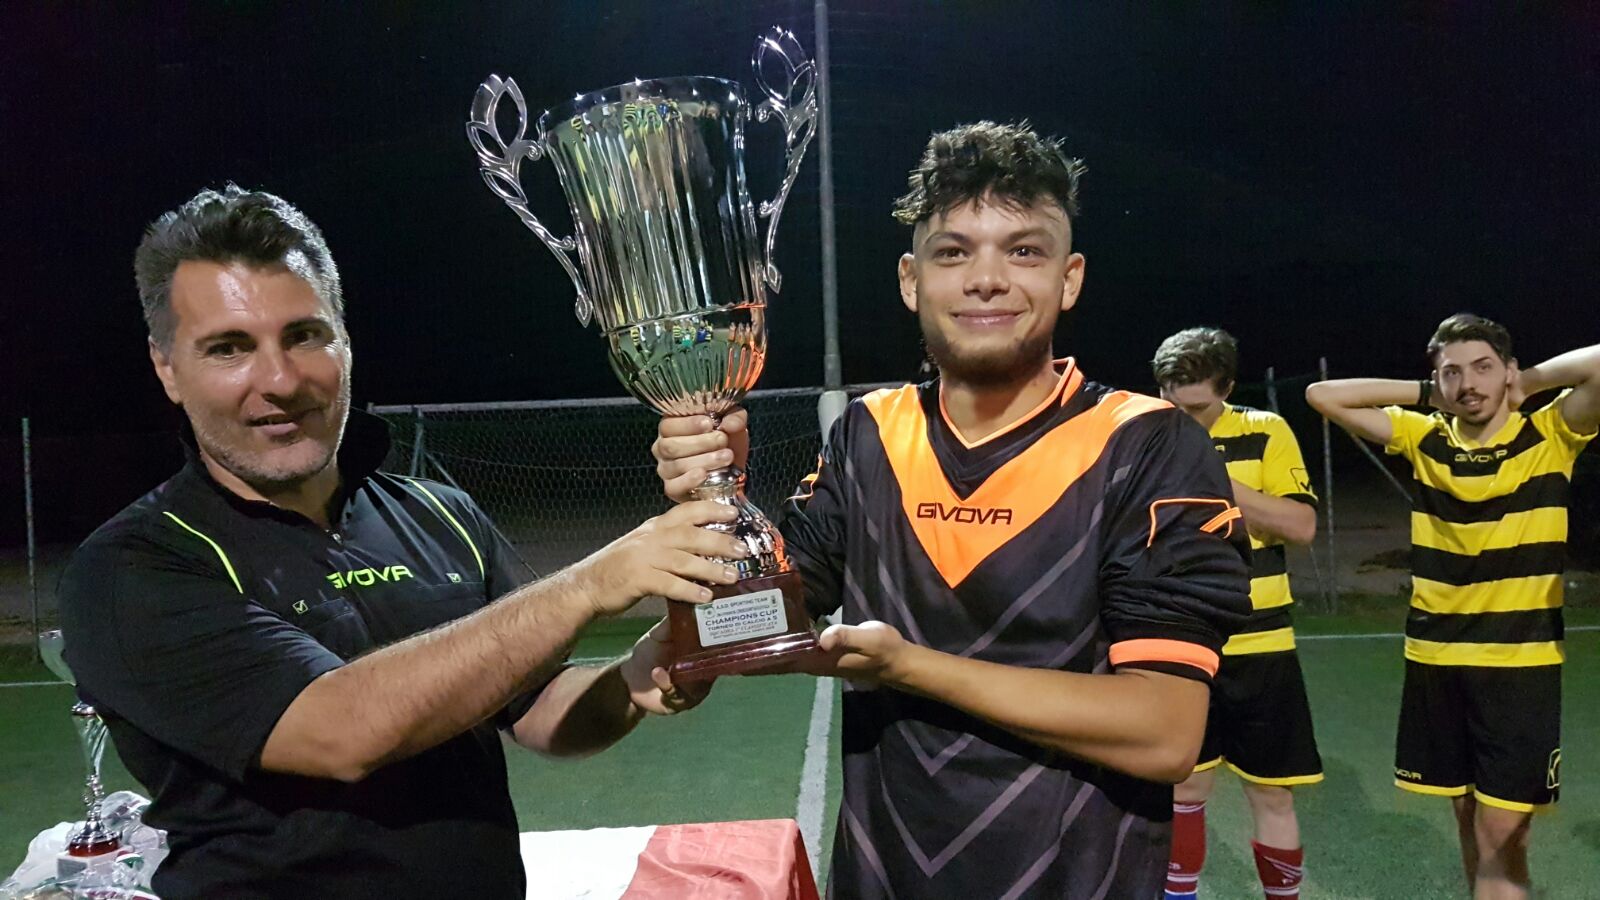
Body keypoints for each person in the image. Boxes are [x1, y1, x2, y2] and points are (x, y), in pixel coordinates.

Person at [57, 186, 745, 900]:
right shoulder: (135, 566)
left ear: (345, 341)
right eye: (229, 348)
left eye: (305, 335)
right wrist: (592, 583)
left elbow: (536, 709)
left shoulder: (439, 513)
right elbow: (342, 731)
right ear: (167, 367)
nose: (281, 380)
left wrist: (631, 680)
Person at [651, 122, 1251, 898]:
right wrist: (714, 498)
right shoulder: (870, 432)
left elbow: (1164, 732)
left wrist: (909, 667)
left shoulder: (1147, 443)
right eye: (954, 252)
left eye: (1023, 251)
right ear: (911, 279)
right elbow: (755, 623)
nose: (987, 279)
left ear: (1069, 278)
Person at [1306, 313, 1600, 899]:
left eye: (1484, 368)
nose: (1469, 384)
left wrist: (1529, 383)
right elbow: (1322, 395)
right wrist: (1426, 393)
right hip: (1436, 657)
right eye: (1453, 373)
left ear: (1508, 370)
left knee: (1502, 832)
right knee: (1469, 818)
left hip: (1519, 664)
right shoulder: (1424, 437)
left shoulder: (1551, 433)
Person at [1152, 327, 1322, 900]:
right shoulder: (1145, 434)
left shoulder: (1265, 430)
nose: (1182, 417)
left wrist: (1215, 481)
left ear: (1225, 388)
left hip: (1261, 644)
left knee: (1271, 793)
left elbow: (1300, 526)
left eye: (1197, 407)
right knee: (1182, 790)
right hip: (1181, 642)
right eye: (1172, 401)